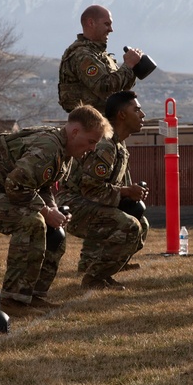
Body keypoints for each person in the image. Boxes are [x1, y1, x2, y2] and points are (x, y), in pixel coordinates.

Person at [0, 106, 110, 312]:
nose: (93, 149)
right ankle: (11, 300)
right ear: (75, 132)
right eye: (91, 141)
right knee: (31, 221)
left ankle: (32, 295)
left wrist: (52, 210)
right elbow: (15, 186)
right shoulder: (48, 148)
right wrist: (45, 211)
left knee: (55, 229)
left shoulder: (63, 151)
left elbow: (40, 185)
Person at [57, 91, 151, 290]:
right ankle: (94, 278)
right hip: (73, 205)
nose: (142, 115)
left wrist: (131, 193)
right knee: (129, 226)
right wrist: (125, 192)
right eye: (137, 110)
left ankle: (103, 266)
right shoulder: (105, 146)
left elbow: (113, 189)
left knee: (141, 223)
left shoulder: (119, 146)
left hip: (90, 203)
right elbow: (90, 189)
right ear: (122, 115)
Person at [58, 5, 144, 113]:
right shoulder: (82, 55)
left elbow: (121, 88)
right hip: (89, 123)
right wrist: (128, 65)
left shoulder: (99, 54)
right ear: (91, 23)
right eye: (106, 24)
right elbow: (104, 88)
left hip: (103, 120)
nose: (111, 29)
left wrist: (133, 68)